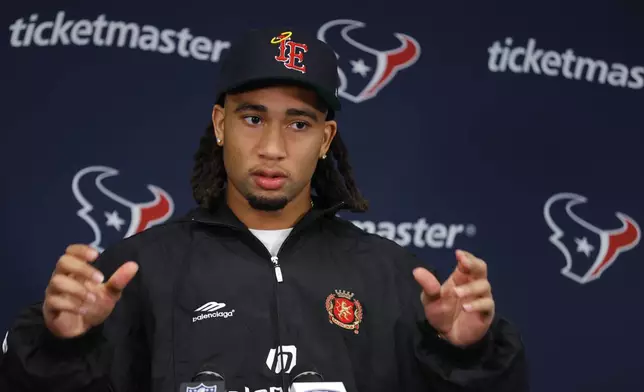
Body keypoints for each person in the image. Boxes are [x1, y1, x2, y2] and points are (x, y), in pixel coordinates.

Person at [0, 27, 529, 392]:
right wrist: (63, 349)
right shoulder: (136, 271)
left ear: (326, 139)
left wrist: (469, 356)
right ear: (220, 123)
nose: (273, 147)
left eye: (298, 124)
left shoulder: (395, 277)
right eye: (253, 118)